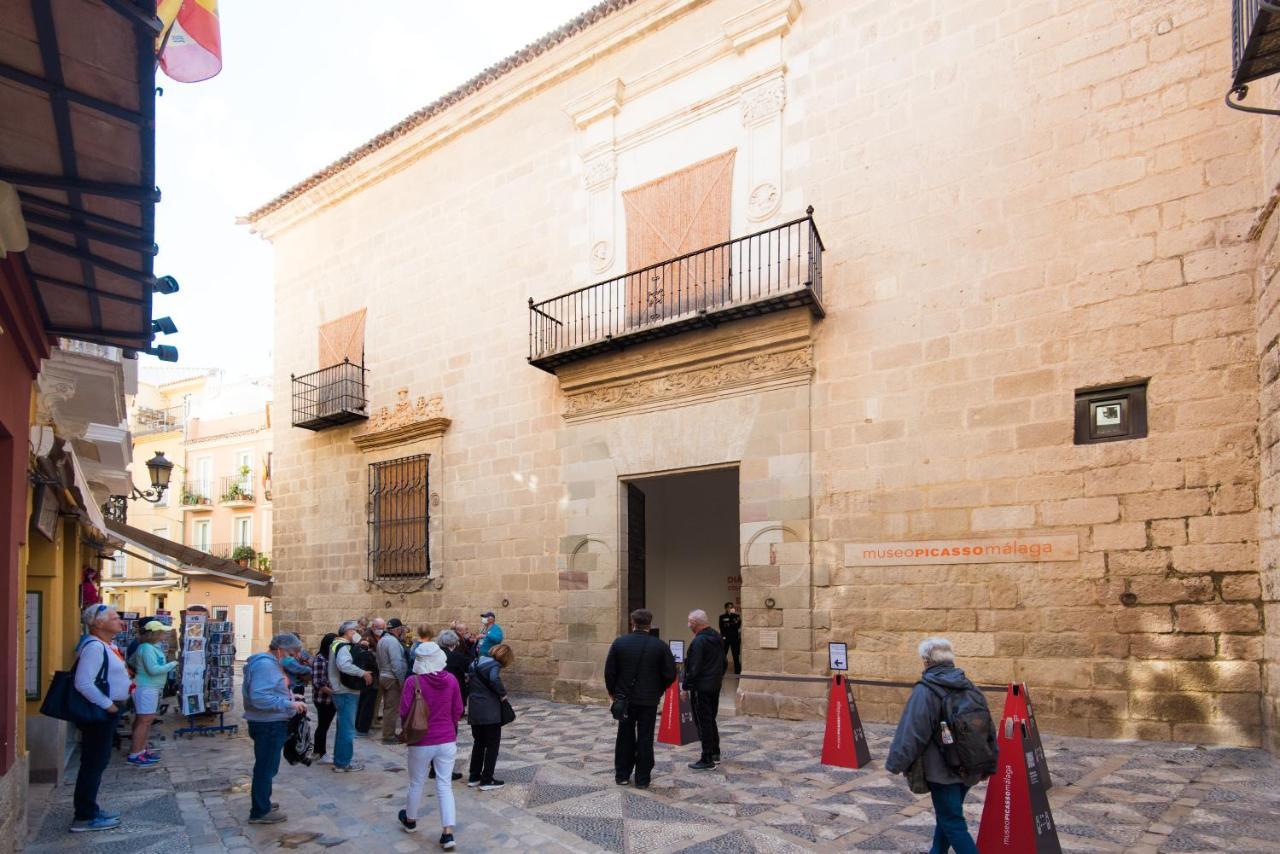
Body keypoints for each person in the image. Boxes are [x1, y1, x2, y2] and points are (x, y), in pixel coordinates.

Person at [885, 638, 995, 854]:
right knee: (948, 815)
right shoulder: (970, 687)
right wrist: (990, 762)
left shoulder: (925, 691)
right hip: (971, 765)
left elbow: (912, 732)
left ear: (926, 661)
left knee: (952, 822)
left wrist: (895, 763)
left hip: (942, 771)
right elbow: (989, 728)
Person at [70, 604, 131, 832]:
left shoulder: (107, 645)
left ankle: (90, 809)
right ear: (98, 623)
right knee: (93, 764)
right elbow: (83, 682)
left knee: (97, 762)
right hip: (101, 714)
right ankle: (84, 817)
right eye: (114, 618)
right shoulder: (95, 647)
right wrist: (109, 707)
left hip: (107, 712)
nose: (120, 622)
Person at [397, 641, 464, 849]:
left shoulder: (412, 682)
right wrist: (451, 728)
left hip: (421, 740)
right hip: (446, 739)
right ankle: (448, 833)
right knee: (445, 785)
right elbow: (458, 709)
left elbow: (404, 710)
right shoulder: (451, 680)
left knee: (417, 781)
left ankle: (410, 820)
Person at [604, 608, 676, 788]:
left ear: (632, 623)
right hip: (648, 700)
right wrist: (658, 689)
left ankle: (622, 774)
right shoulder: (660, 646)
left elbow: (610, 672)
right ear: (650, 625)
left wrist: (613, 692)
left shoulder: (620, 643)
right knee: (645, 737)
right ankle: (643, 779)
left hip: (625, 699)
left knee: (624, 736)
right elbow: (670, 674)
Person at [242, 632, 310, 824]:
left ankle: (263, 801)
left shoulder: (270, 664)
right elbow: (260, 697)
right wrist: (289, 705)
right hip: (268, 723)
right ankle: (260, 810)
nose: (295, 657)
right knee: (266, 767)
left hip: (269, 721)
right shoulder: (265, 665)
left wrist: (290, 698)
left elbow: (271, 691)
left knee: (267, 766)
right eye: (292, 652)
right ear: (279, 650)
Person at [127, 620, 177, 766]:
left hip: (150, 687)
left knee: (146, 720)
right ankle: (135, 753)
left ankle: (141, 750)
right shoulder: (147, 648)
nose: (164, 634)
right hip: (146, 688)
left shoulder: (150, 647)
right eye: (162, 631)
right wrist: (172, 664)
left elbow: (133, 661)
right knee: (144, 721)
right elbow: (153, 669)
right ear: (155, 633)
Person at [466, 642, 513, 790]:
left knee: (478, 743)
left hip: (474, 709)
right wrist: (502, 694)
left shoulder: (476, 662)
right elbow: (493, 679)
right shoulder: (494, 665)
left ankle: (474, 776)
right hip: (489, 712)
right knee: (492, 745)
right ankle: (487, 779)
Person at [682, 609, 725, 770]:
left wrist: (685, 686)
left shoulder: (699, 641)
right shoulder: (716, 636)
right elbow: (723, 662)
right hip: (714, 684)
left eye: (689, 621)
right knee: (710, 719)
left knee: (703, 722)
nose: (688, 624)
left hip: (701, 687)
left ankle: (707, 758)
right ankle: (715, 752)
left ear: (694, 623)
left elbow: (694, 667)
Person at [329, 620, 373, 772]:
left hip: (341, 690)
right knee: (347, 729)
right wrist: (363, 673)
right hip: (345, 691)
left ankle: (340, 759)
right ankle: (342, 763)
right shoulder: (343, 646)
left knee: (343, 728)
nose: (357, 633)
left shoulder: (336, 644)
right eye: (355, 630)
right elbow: (344, 665)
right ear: (348, 632)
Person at [378, 618, 410, 743]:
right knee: (392, 708)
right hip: (392, 677)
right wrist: (401, 680)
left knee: (387, 707)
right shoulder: (392, 642)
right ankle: (388, 736)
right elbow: (396, 663)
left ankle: (388, 733)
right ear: (397, 629)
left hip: (384, 676)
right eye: (401, 629)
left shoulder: (383, 640)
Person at [311, 633, 337, 764]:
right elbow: (318, 682)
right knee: (323, 725)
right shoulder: (320, 659)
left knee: (324, 726)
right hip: (323, 699)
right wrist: (334, 693)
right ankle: (320, 752)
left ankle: (319, 751)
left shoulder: (330, 658)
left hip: (330, 699)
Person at [355, 618, 381, 736]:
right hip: (368, 676)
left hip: (366, 675)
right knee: (366, 703)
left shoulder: (368, 638)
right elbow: (368, 659)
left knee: (363, 703)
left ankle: (360, 725)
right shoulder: (366, 639)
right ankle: (362, 728)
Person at [718, 602, 742, 676]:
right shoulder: (722, 617)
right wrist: (731, 624)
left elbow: (737, 626)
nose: (730, 608)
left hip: (734, 639)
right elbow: (722, 628)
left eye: (732, 607)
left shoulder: (737, 616)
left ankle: (737, 671)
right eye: (729, 607)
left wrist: (729, 624)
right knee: (723, 655)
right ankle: (721, 671)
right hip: (725, 638)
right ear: (726, 608)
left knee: (735, 655)